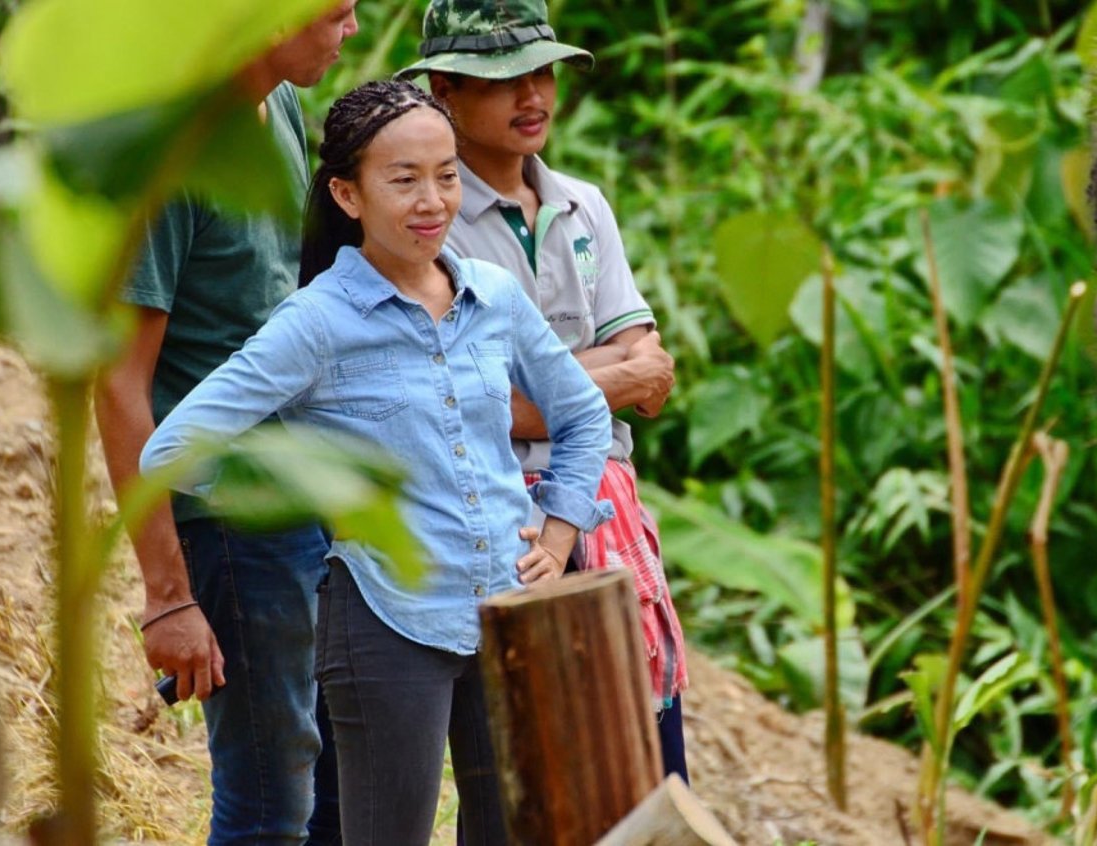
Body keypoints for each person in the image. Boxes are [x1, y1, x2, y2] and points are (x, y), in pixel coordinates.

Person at [140, 79, 614, 846]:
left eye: (448, 174)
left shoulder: (491, 295)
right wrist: (303, 488)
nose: (432, 200)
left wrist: (557, 537)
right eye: (404, 180)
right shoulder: (316, 322)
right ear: (347, 195)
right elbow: (171, 452)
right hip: (386, 623)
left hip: (505, 614)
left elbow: (584, 414)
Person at [397, 0, 691, 782]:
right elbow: (481, 400)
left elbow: (651, 359)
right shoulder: (435, 219)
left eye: (543, 73)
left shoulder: (583, 203)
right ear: (445, 91)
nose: (533, 98)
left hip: (608, 501)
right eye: (504, 81)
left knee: (647, 756)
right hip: (510, 520)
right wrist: (611, 375)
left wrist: (567, 380)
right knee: (547, 765)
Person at [93, 3, 360, 843]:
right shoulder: (176, 154)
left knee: (328, 780)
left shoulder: (277, 104)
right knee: (268, 803)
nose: (349, 31)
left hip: (299, 492)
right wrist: (168, 596)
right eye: (339, 13)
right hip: (230, 519)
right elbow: (119, 383)